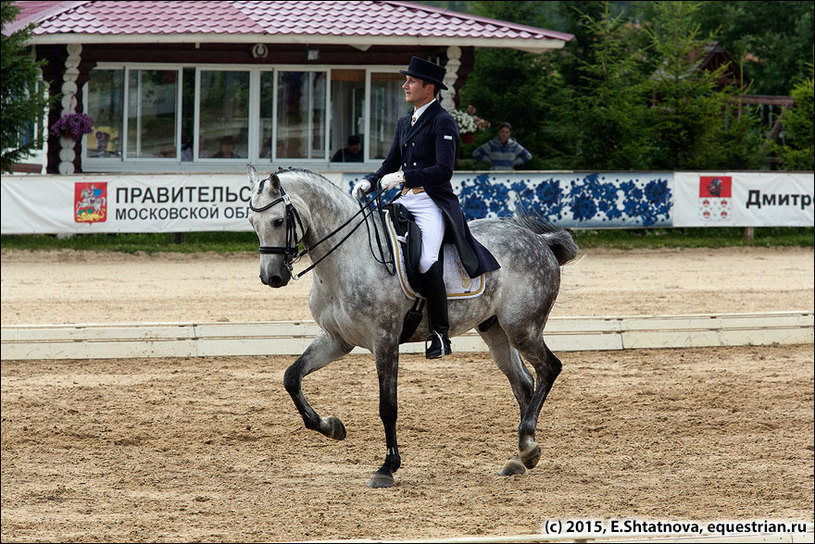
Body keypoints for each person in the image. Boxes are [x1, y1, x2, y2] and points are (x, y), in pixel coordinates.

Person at [352, 56, 500, 359]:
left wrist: (406, 175)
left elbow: (443, 170)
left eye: (412, 81)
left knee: (425, 259)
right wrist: (370, 181)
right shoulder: (405, 122)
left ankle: (440, 334)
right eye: (406, 80)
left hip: (431, 201)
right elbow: (390, 163)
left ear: (428, 87)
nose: (406, 85)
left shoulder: (443, 121)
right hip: (405, 198)